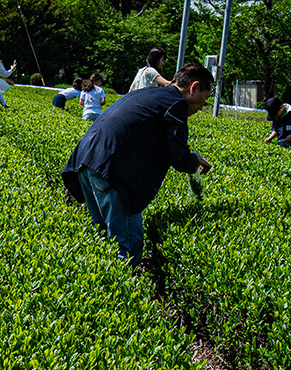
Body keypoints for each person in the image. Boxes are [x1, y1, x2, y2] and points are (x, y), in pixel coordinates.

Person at [61, 62, 214, 264]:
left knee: (104, 239)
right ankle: (123, 290)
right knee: (127, 248)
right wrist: (193, 160)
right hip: (111, 172)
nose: (202, 106)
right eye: (205, 98)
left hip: (86, 161)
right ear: (193, 88)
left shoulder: (148, 94)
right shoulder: (176, 104)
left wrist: (190, 156)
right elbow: (179, 159)